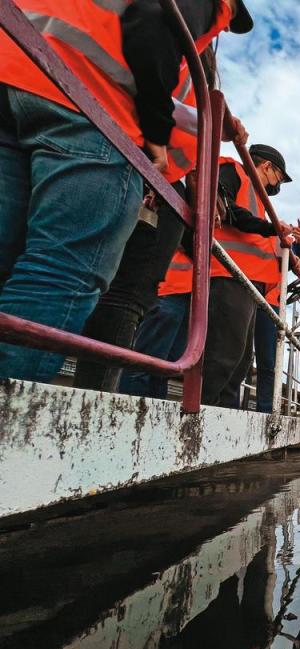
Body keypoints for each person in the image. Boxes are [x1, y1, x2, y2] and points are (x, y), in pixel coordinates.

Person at [0, 0, 253, 383]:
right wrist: (155, 136)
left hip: (17, 67)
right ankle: (13, 422)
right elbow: (153, 28)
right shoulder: (211, 6)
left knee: (11, 258)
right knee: (63, 269)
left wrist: (212, 121)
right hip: (86, 98)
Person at [120, 146, 300, 406]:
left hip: (239, 284)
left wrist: (289, 248)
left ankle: (207, 417)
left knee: (235, 362)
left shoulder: (260, 202)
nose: (278, 185)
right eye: (279, 178)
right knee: (204, 358)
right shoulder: (232, 172)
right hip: (217, 276)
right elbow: (226, 210)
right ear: (267, 167)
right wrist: (271, 227)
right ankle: (175, 414)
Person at [251, 237, 300, 413]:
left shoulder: (280, 239)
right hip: (245, 292)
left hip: (271, 303)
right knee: (239, 353)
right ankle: (225, 405)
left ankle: (266, 410)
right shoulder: (256, 231)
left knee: (268, 361)